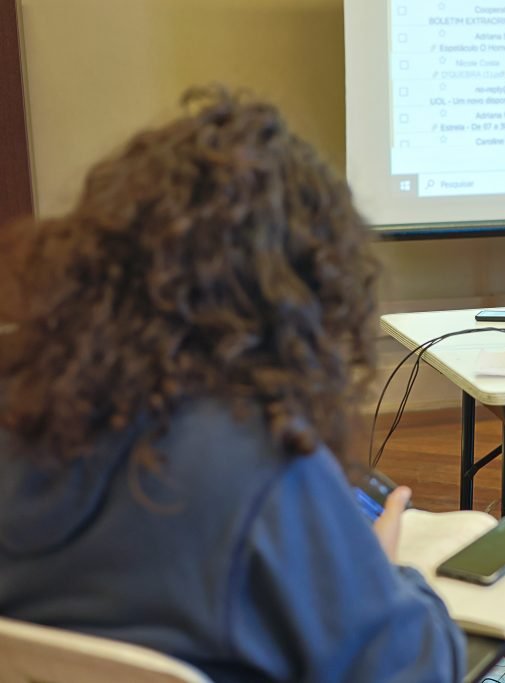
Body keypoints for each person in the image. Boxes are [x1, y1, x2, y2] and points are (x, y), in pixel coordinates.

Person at [0, 87, 465, 681]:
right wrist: (384, 572)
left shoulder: (20, 407)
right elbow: (414, 670)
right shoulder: (265, 465)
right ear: (299, 289)